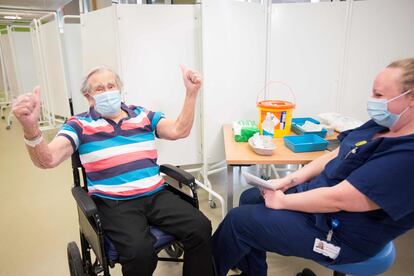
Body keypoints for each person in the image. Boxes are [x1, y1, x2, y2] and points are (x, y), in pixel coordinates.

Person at [212, 58, 414, 276]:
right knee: (251, 197)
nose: (371, 101)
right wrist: (288, 180)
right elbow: (337, 153)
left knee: (238, 222)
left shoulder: (407, 155)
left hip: (341, 235)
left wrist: (284, 201)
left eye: (379, 96)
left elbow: (341, 199)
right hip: (320, 206)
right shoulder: (383, 125)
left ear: (411, 98)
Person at [12, 66, 214, 276]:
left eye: (111, 86)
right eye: (99, 89)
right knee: (139, 252)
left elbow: (178, 129)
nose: (107, 92)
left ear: (119, 89)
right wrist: (30, 127)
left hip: (156, 194)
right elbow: (48, 159)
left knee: (200, 227)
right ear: (88, 96)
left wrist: (192, 92)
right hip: (114, 203)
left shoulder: (142, 115)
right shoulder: (79, 124)